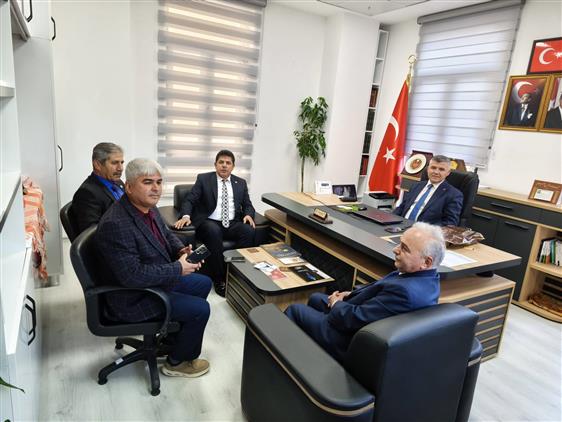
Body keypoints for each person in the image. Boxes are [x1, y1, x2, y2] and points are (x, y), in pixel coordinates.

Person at [96, 158, 213, 378]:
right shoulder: (116, 223)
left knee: (203, 283)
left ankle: (172, 340)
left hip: (151, 281)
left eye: (159, 182)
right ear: (129, 187)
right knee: (200, 309)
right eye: (148, 182)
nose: (156, 188)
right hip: (132, 297)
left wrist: (180, 251)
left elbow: (166, 235)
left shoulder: (147, 207)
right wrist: (177, 269)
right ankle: (177, 362)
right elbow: (132, 276)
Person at [285, 222, 443, 362]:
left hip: (349, 341)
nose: (395, 250)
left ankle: (282, 362)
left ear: (426, 262)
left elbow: (354, 319)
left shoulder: (404, 292)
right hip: (361, 320)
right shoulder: (427, 279)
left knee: (295, 310)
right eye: (399, 244)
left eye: (404, 248)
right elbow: (379, 290)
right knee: (315, 298)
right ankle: (310, 350)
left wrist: (336, 303)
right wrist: (349, 294)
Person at [174, 150, 256, 297]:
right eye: (221, 162)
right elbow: (190, 200)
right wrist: (186, 216)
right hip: (209, 222)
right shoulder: (204, 179)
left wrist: (249, 215)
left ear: (233, 166)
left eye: (228, 163)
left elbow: (247, 204)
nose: (224, 165)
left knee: (248, 230)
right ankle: (219, 279)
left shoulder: (240, 183)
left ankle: (236, 274)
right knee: (213, 231)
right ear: (215, 164)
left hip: (232, 223)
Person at [393, 155, 463, 226]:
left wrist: (426, 229)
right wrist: (390, 219)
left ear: (448, 173)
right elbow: (402, 207)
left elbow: (450, 223)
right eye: (433, 168)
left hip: (425, 231)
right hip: (400, 226)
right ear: (428, 169)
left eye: (441, 169)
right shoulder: (416, 186)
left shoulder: (454, 195)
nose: (436, 172)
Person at [71, 142, 125, 234]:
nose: (120, 168)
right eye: (114, 163)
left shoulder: (118, 182)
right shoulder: (87, 194)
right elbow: (91, 234)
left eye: (122, 162)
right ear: (97, 165)